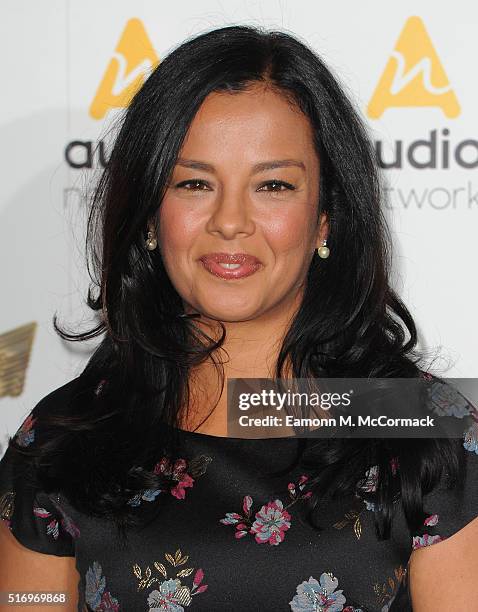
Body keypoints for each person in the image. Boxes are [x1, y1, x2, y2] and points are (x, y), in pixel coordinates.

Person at [1, 23, 477, 611]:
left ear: (325, 219)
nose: (231, 221)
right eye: (195, 183)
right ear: (150, 214)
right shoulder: (63, 439)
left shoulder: (418, 426)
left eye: (272, 185)